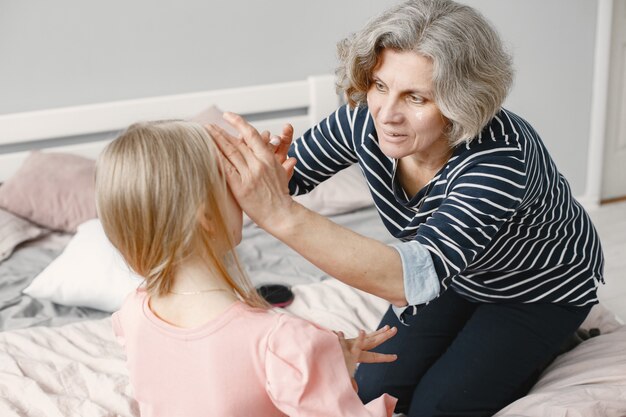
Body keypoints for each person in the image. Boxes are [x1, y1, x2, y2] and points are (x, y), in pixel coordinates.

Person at [207, 0, 605, 415]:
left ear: (461, 101)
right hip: (452, 274)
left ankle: (556, 340)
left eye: (416, 97)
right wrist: (254, 170)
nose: (387, 115)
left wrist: (280, 215)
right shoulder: (366, 118)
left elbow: (407, 280)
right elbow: (287, 176)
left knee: (439, 406)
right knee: (372, 389)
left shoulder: (500, 161)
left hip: (535, 287)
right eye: (380, 85)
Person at [95, 120, 398, 417]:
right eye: (231, 181)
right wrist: (331, 372)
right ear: (205, 217)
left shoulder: (133, 311)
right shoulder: (280, 340)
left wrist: (314, 363)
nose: (245, 191)